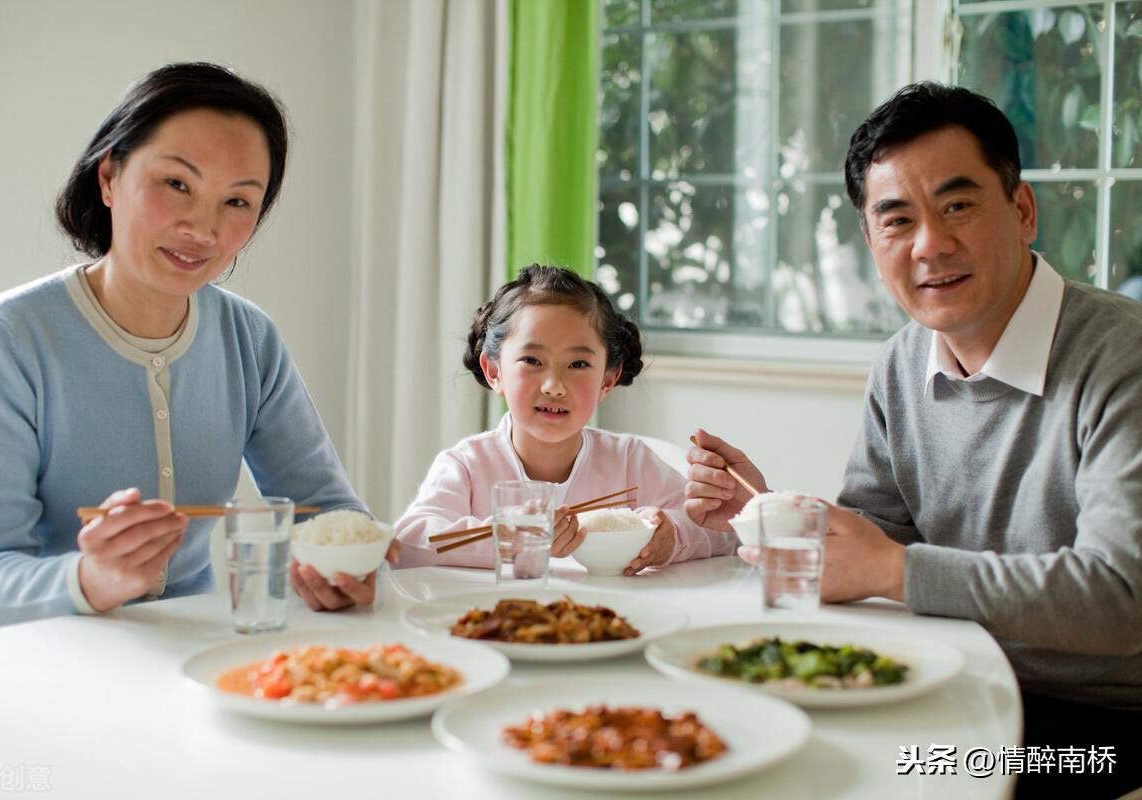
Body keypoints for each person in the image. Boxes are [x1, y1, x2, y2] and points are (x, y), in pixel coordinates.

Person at [685, 82, 1141, 797]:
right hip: (946, 673)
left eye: (958, 205)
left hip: (1097, 731)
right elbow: (879, 535)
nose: (931, 244)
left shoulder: (1122, 357)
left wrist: (896, 572)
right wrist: (777, 518)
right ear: (872, 242)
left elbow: (1121, 599)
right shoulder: (902, 360)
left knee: (864, 775)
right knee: (731, 732)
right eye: (898, 220)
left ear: (1023, 211)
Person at [0, 62, 389, 632]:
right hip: (30, 664)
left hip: (184, 653)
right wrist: (89, 579)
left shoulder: (249, 339)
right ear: (109, 178)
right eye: (176, 184)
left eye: (237, 202)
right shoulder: (7, 338)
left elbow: (326, 510)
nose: (202, 228)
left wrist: (346, 564)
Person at [395, 265, 735, 572]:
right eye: (531, 360)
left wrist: (670, 538)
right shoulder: (467, 464)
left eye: (578, 364)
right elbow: (410, 541)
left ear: (608, 379)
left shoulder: (630, 460)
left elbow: (723, 530)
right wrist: (519, 536)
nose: (554, 386)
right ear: (494, 370)